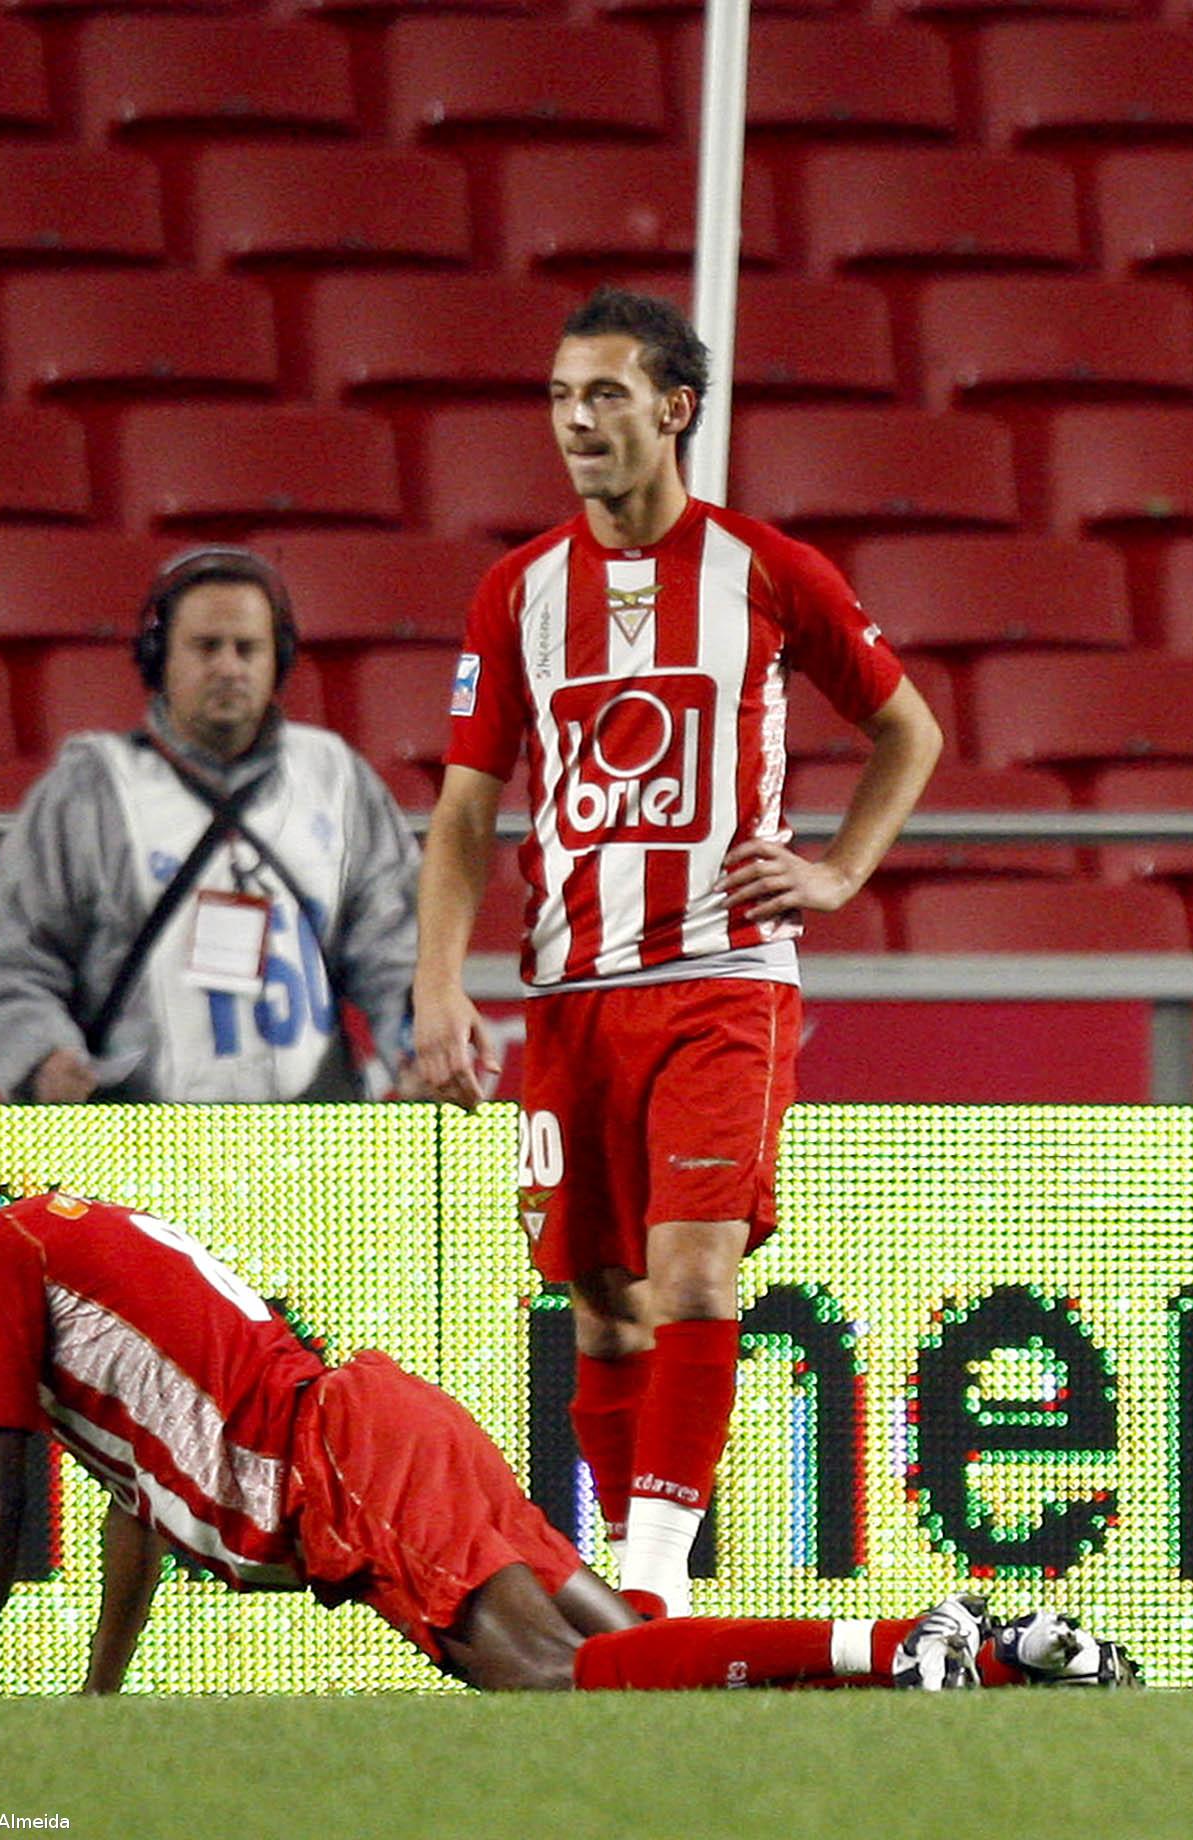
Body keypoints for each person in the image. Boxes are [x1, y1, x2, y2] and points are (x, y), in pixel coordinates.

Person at [410, 288, 944, 1618]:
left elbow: (909, 730)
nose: (576, 421)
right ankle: (626, 1581)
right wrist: (438, 983)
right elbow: (467, 808)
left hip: (723, 978)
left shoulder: (765, 569)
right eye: (560, 397)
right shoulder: (516, 591)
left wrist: (837, 871)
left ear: (675, 408)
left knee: (693, 1276)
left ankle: (652, 1589)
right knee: (602, 1306)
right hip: (571, 992)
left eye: (605, 394)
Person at [0, 1192, 1131, 1694]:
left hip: (348, 1465)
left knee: (556, 1690)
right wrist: (99, 1699)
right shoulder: (68, 1246)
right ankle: (991, 1656)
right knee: (628, 1660)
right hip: (383, 1431)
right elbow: (134, 1508)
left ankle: (905, 1643)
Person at [0, 546, 423, 1105]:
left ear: (278, 659)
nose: (229, 667)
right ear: (159, 659)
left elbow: (399, 945)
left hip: (313, 1133)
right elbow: (11, 962)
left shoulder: (336, 777)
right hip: (138, 1134)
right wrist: (43, 1057)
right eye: (206, 647)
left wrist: (417, 1044)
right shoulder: (91, 791)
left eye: (247, 648)